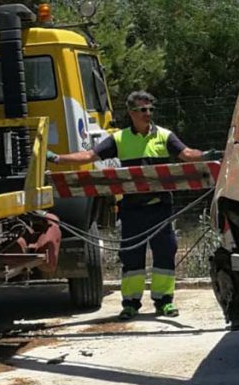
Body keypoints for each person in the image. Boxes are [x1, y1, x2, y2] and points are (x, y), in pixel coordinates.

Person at [47, 91, 213, 319]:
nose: (148, 114)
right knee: (132, 258)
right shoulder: (119, 139)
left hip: (160, 209)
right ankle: (131, 304)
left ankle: (164, 302)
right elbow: (89, 156)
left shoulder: (164, 136)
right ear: (131, 113)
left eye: (151, 109)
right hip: (133, 210)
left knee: (165, 253)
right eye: (143, 110)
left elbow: (186, 154)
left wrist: (206, 155)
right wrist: (57, 159)